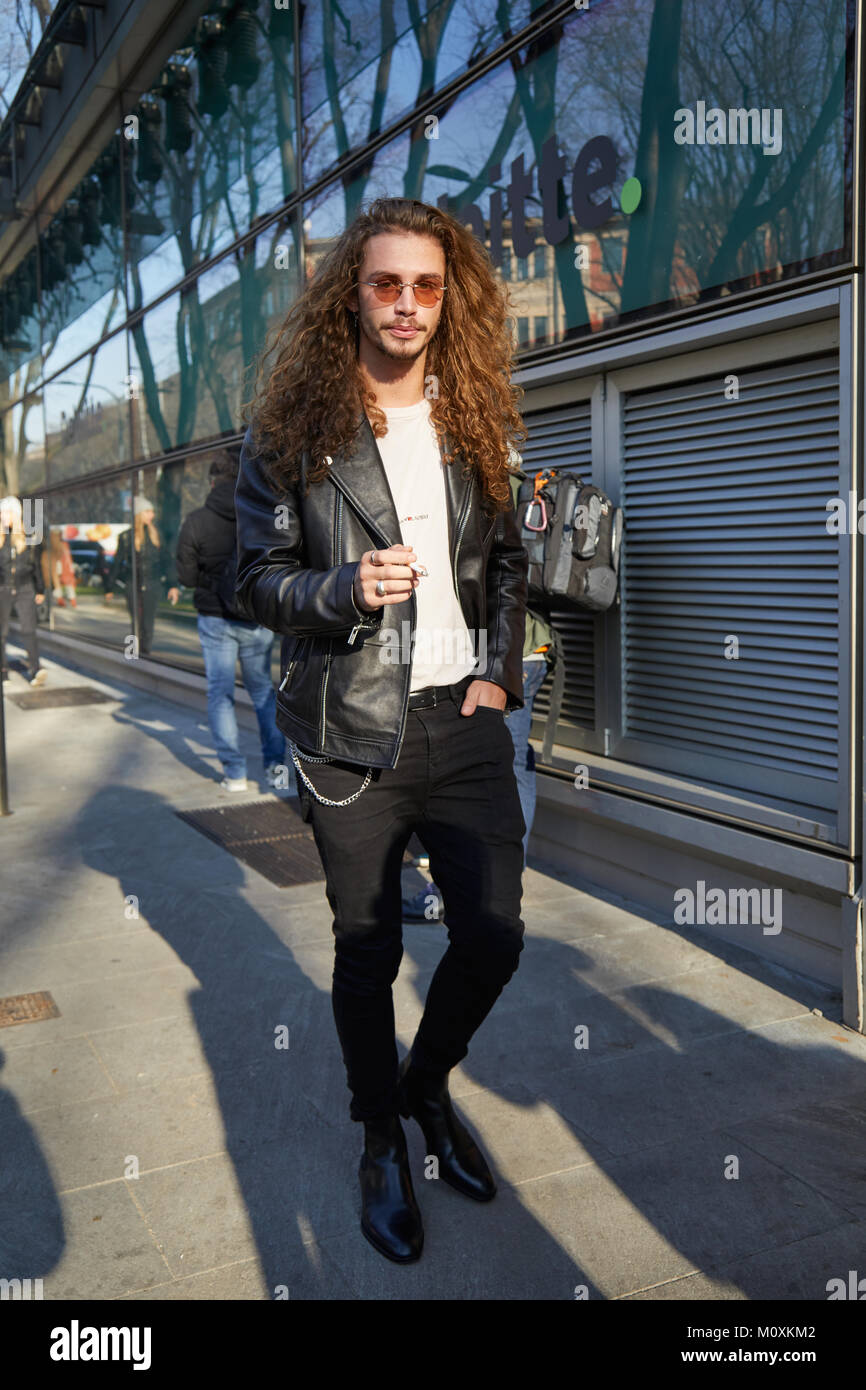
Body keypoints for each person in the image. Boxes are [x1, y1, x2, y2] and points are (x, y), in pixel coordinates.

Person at [234, 196, 528, 1265]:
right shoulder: (293, 432)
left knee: (492, 935)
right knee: (366, 953)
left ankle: (425, 1090)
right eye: (384, 284)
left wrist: (498, 677)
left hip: (464, 723)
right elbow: (250, 580)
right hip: (348, 731)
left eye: (425, 287)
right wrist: (342, 588)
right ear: (349, 294)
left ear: (448, 300)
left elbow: (503, 568)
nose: (406, 306)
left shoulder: (475, 417)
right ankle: (378, 1139)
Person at [174, 452, 286, 792]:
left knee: (220, 694)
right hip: (256, 619)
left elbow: (187, 577)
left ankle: (235, 774)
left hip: (215, 620)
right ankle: (276, 771)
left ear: (211, 482)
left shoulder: (196, 521)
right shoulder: (260, 518)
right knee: (263, 692)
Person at [105, 496, 180, 654]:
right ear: (139, 514)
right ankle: (134, 653)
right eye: (147, 512)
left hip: (153, 584)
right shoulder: (126, 537)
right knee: (136, 623)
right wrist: (109, 587)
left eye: (152, 511)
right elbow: (117, 563)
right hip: (133, 584)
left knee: (148, 623)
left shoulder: (156, 534)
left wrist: (173, 585)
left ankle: (145, 654)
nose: (151, 515)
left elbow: (167, 560)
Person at [0, 495, 47, 685]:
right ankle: (3, 670)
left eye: (4, 512)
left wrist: (40, 589)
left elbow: (36, 564)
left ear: (15, 513)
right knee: (1, 632)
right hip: (2, 588)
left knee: (29, 630)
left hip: (25, 588)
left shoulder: (29, 535)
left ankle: (35, 669)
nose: (1, 516)